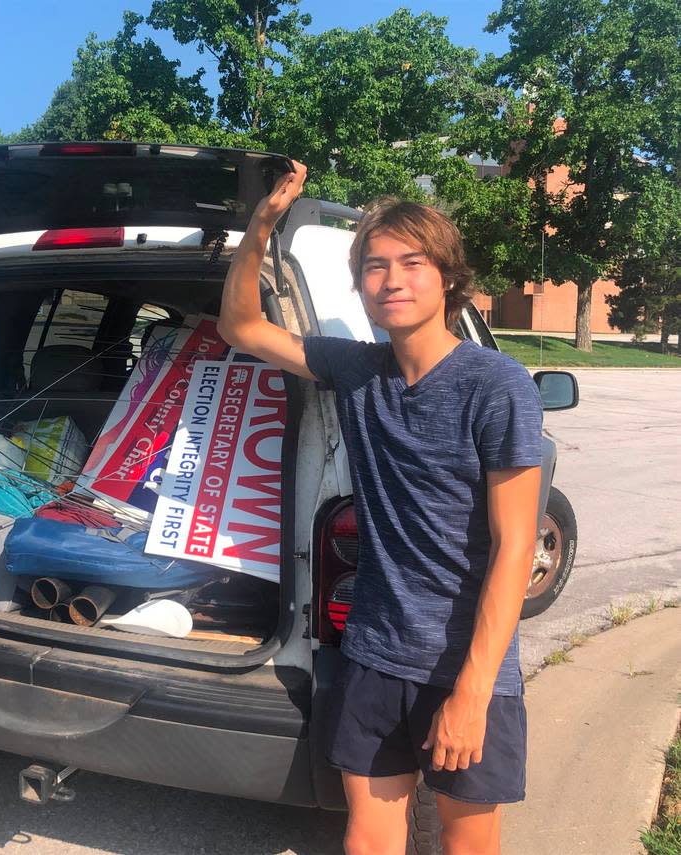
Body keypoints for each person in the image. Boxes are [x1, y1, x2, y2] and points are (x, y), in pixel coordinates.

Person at [218, 163, 542, 855]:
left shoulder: (498, 386)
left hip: (464, 663)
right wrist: (262, 225)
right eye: (373, 265)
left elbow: (516, 547)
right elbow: (241, 324)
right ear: (360, 286)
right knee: (368, 836)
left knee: (467, 840)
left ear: (447, 277)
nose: (391, 278)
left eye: (411, 262)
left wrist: (472, 693)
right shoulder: (358, 369)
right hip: (374, 651)